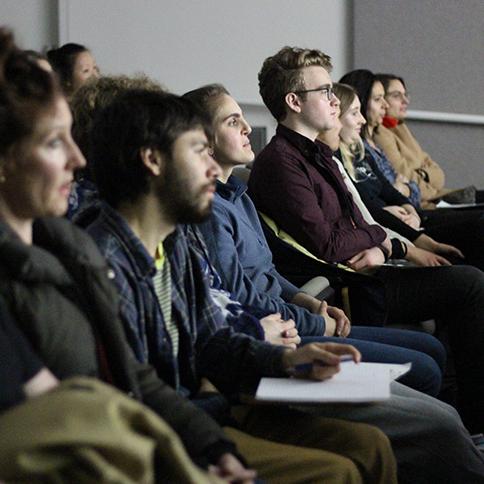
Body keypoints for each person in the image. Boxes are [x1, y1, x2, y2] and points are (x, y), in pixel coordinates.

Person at [85, 84, 484, 483]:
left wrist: (284, 361)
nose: (210, 168)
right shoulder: (107, 262)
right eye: (197, 151)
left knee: (374, 446)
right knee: (343, 468)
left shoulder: (174, 241)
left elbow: (212, 341)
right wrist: (218, 424)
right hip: (182, 429)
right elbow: (141, 397)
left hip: (221, 398)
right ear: (152, 160)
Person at [0, 28, 347, 483]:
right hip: (159, 439)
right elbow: (107, 404)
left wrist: (280, 362)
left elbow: (153, 371)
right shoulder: (90, 256)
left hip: (179, 427)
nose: (75, 159)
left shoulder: (96, 249)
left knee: (362, 453)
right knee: (340, 469)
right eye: (51, 142)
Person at [248, 45, 484, 436]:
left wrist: (379, 241)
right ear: (293, 101)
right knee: (470, 285)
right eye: (323, 91)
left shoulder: (319, 154)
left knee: (467, 278)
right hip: (348, 286)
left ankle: (466, 419)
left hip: (365, 270)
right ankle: (473, 422)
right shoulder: (280, 162)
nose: (332, 98)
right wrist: (381, 242)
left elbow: (364, 222)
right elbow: (328, 244)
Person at [184, 83, 446, 397]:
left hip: (295, 314)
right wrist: (317, 324)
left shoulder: (239, 195)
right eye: (232, 121)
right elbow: (243, 296)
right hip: (277, 334)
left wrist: (308, 302)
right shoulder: (210, 211)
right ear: (203, 143)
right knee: (426, 367)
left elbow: (269, 273)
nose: (247, 128)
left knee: (432, 348)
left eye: (242, 117)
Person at [340, 69, 484, 271]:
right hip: (409, 217)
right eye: (381, 98)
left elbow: (431, 174)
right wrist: (407, 200)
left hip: (410, 216)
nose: (387, 106)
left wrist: (409, 203)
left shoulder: (372, 143)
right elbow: (373, 202)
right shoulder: (345, 153)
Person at [374, 73, 484, 205]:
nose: (405, 101)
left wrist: (423, 175)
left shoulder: (400, 126)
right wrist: (429, 185)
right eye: (397, 96)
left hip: (438, 196)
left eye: (405, 95)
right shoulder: (380, 133)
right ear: (382, 100)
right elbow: (404, 178)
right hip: (429, 203)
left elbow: (439, 173)